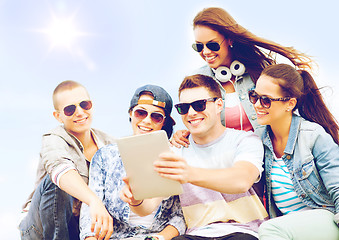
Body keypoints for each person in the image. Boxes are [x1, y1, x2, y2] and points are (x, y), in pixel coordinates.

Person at [121, 75, 268, 240]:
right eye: (183, 108)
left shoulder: (245, 140)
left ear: (219, 104)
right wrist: (135, 200)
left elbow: (241, 181)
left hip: (244, 232)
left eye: (199, 105)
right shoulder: (174, 151)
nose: (191, 113)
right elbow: (148, 206)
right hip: (196, 234)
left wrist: (188, 173)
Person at [172, 6, 312, 145]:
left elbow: (285, 111)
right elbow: (195, 118)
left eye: (213, 45)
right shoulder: (198, 80)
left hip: (267, 156)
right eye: (199, 46)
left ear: (230, 40)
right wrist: (184, 133)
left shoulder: (261, 71)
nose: (206, 52)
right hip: (226, 161)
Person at [79, 85, 186, 240]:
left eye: (156, 116)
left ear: (164, 122)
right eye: (141, 113)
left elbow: (179, 216)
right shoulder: (105, 157)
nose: (147, 121)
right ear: (131, 113)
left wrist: (159, 238)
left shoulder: (173, 156)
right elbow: (90, 211)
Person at [248, 63, 339, 240]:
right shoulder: (259, 140)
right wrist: (189, 134)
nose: (257, 105)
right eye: (254, 96)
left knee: (268, 230)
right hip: (289, 228)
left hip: (326, 220)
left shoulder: (313, 136)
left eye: (266, 100)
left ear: (290, 104)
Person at [19, 80, 115, 240]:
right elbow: (59, 169)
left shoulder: (110, 143)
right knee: (57, 182)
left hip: (78, 226)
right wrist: (94, 201)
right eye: (70, 109)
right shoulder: (53, 139)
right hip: (38, 227)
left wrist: (172, 140)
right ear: (58, 116)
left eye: (85, 104)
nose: (80, 112)